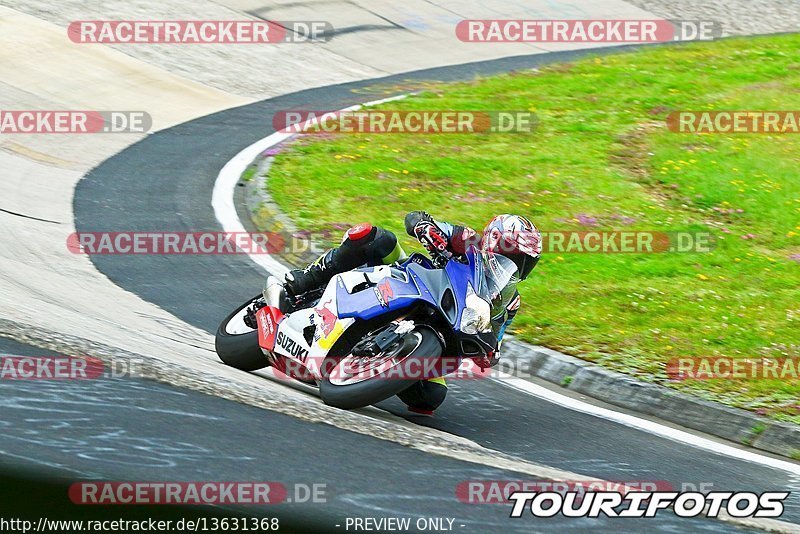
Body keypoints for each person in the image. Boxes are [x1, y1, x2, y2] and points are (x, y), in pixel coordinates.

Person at [284, 212, 542, 415]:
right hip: (408, 280)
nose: (519, 263)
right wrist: (425, 227)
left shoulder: (507, 301)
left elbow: (494, 338)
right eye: (515, 253)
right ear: (495, 241)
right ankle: (309, 278)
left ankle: (373, 371)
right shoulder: (467, 240)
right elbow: (415, 217)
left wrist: (490, 351)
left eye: (525, 259)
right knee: (376, 238)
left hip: (441, 322)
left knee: (430, 399)